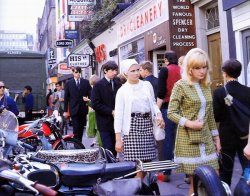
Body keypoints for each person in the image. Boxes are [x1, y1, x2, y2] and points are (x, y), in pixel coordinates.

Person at [168, 48, 221, 196]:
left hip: (206, 139)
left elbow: (210, 115)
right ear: (189, 68)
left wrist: (216, 138)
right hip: (188, 140)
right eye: (197, 68)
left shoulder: (206, 85)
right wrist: (189, 123)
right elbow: (171, 113)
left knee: (214, 178)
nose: (202, 71)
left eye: (204, 67)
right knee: (195, 184)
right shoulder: (180, 85)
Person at [114, 59, 164, 179]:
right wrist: (118, 139)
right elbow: (119, 116)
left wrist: (159, 115)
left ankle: (138, 186)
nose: (136, 73)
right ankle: (137, 186)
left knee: (147, 162)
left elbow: (153, 103)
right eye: (133, 71)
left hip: (147, 124)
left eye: (138, 70)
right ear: (126, 73)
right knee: (140, 163)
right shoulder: (122, 91)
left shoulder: (147, 85)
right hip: (132, 127)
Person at [213, 59, 250, 186]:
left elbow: (216, 117)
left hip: (226, 135)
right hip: (245, 134)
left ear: (224, 73)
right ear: (239, 73)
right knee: (247, 168)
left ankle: (226, 191)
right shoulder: (248, 91)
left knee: (226, 170)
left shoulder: (219, 92)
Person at [156, 50, 181, 182]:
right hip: (183, 108)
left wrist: (156, 110)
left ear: (166, 60)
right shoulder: (183, 70)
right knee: (183, 140)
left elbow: (161, 92)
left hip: (168, 108)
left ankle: (166, 173)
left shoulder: (164, 71)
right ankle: (189, 174)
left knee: (168, 141)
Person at [91, 61, 121, 156]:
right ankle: (110, 168)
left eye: (115, 70)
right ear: (105, 71)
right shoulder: (98, 85)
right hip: (104, 122)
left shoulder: (118, 82)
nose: (115, 72)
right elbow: (95, 104)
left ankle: (112, 165)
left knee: (115, 148)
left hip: (116, 122)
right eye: (112, 70)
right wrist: (110, 111)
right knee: (108, 148)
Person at [63, 66, 92, 142]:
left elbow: (91, 93)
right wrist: (65, 111)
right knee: (75, 128)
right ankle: (77, 144)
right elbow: (66, 97)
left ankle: (80, 142)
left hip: (83, 108)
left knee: (81, 128)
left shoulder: (85, 82)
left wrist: (89, 100)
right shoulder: (69, 83)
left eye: (79, 72)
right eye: (76, 72)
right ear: (73, 73)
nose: (78, 74)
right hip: (73, 109)